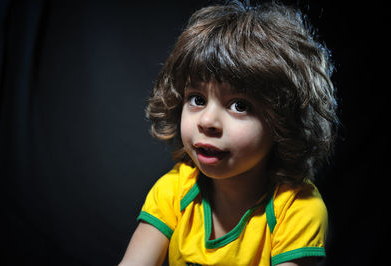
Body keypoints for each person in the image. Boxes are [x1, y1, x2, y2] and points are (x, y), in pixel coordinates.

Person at [119, 1, 338, 265]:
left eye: (239, 105)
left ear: (284, 121)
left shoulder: (297, 210)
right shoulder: (175, 190)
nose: (207, 121)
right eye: (197, 99)